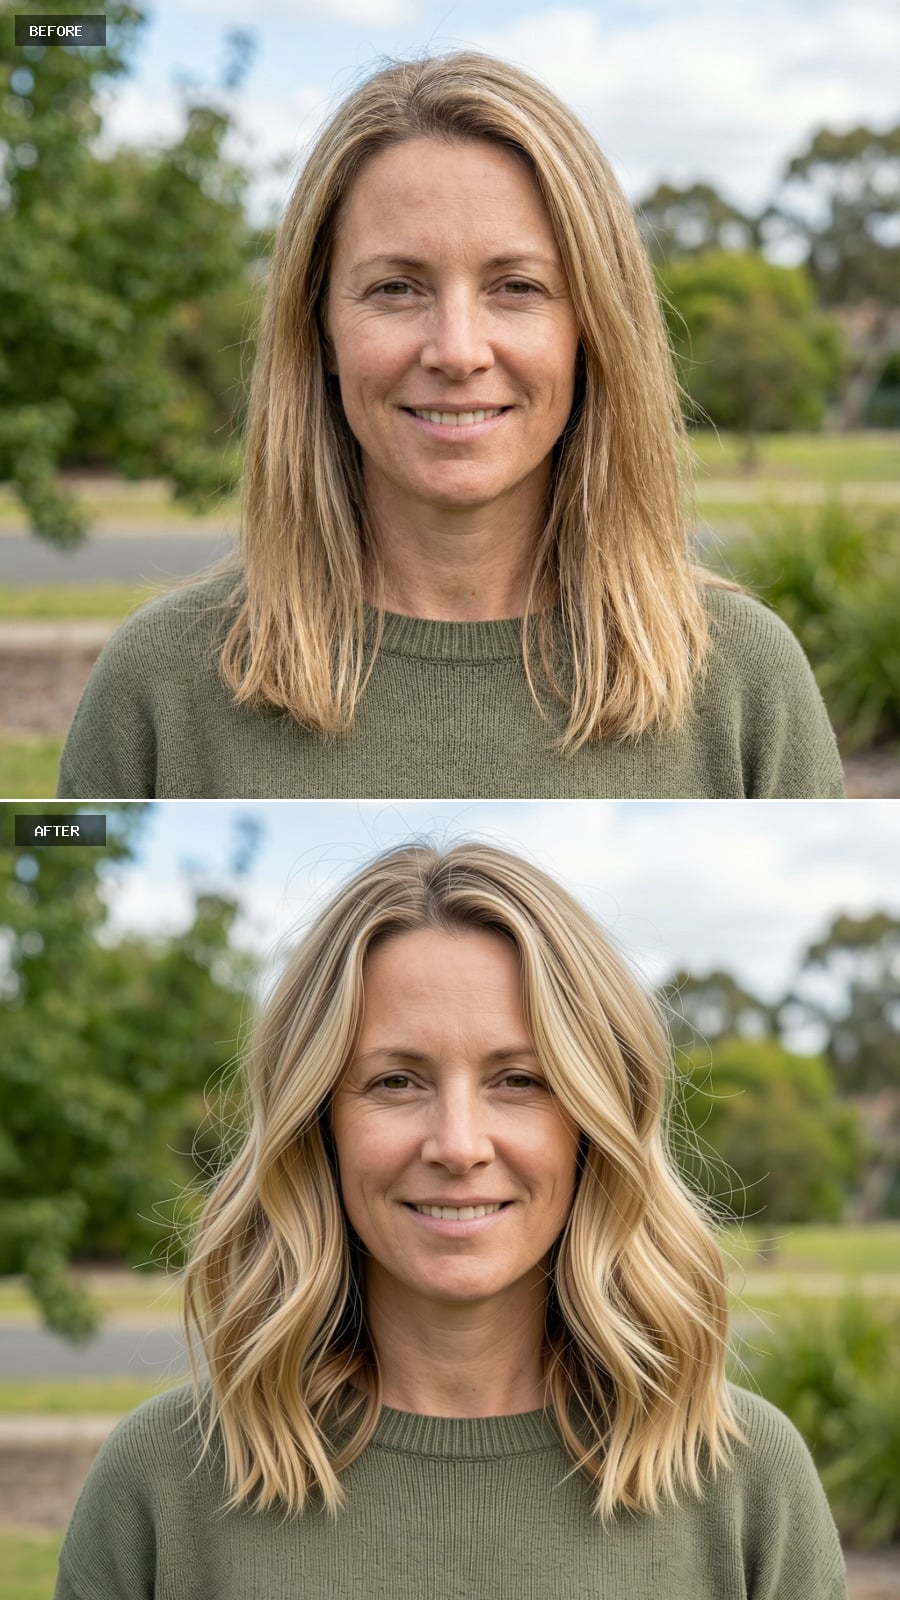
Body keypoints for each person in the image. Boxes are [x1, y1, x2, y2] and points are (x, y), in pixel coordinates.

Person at [54, 842, 848, 1599]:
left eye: (519, 1080)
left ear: (594, 1122)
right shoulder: (161, 1482)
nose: (458, 1145)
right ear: (318, 1123)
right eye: (397, 1081)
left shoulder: (746, 1479)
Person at [56, 53, 842, 800]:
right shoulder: (158, 687)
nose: (458, 351)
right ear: (319, 327)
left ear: (592, 329)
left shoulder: (744, 680)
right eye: (396, 287)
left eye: (517, 287)